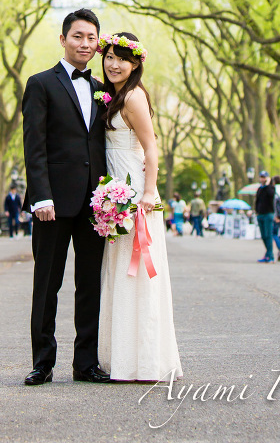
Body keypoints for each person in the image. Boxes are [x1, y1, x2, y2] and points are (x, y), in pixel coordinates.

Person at [21, 8, 109, 386]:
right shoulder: (40, 84)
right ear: (63, 39)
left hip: (96, 206)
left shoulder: (104, 90)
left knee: (90, 285)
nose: (84, 43)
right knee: (47, 285)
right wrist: (41, 196)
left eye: (91, 38)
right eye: (78, 36)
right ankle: (43, 362)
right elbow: (34, 145)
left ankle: (85, 363)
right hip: (52, 205)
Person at [97, 30, 182, 381]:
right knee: (120, 274)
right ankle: (123, 359)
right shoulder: (112, 97)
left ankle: (145, 361)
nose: (114, 64)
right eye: (110, 57)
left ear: (135, 64)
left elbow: (150, 147)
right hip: (115, 191)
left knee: (139, 274)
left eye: (123, 59)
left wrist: (148, 193)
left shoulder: (133, 97)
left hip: (135, 195)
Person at [255, 171, 276, 262]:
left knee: (268, 235)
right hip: (260, 214)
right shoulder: (260, 189)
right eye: (261, 177)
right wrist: (256, 211)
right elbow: (257, 201)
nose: (262, 179)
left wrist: (268, 184)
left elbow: (271, 195)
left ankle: (270, 256)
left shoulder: (270, 188)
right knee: (263, 236)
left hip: (268, 214)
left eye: (264, 177)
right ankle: (268, 253)